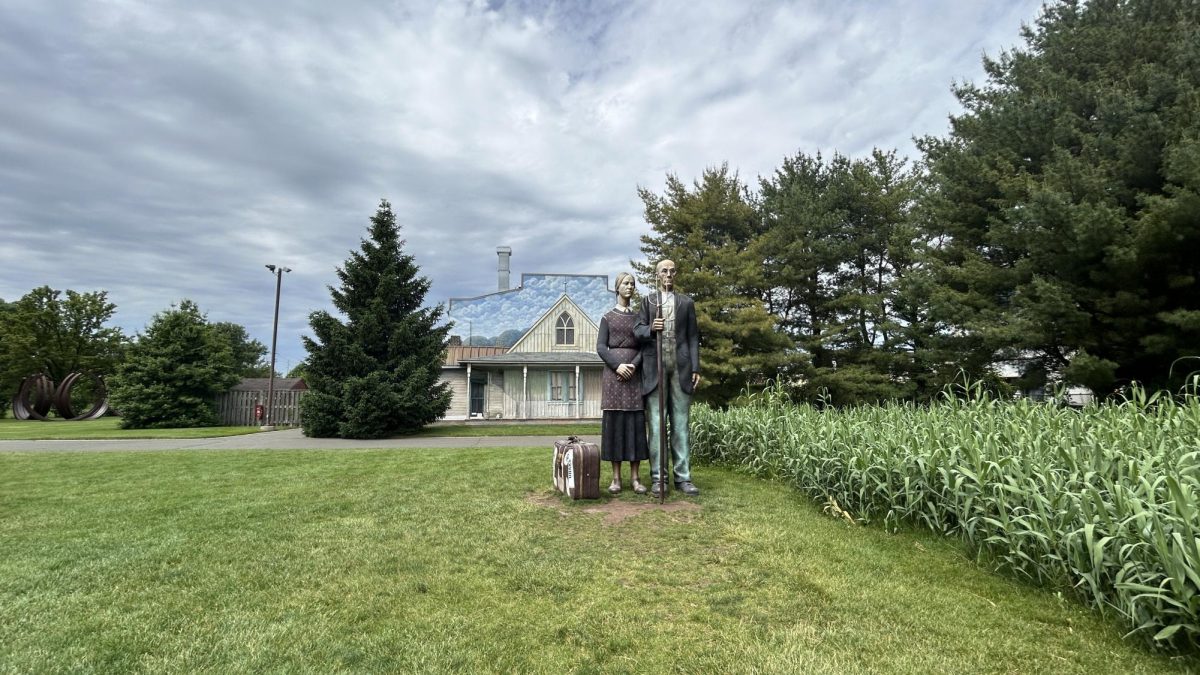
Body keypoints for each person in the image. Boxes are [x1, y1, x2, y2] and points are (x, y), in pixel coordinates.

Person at [634, 259, 700, 496]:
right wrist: (652, 327)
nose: (669, 274)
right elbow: (637, 330)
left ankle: (683, 478)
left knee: (681, 424)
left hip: (680, 366)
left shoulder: (686, 303)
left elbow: (693, 337)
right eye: (664, 271)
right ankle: (658, 478)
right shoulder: (648, 301)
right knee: (657, 423)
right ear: (657, 274)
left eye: (672, 271)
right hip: (655, 367)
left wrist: (696, 367)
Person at [596, 272, 649, 494]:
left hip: (634, 378)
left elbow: (645, 348)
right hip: (613, 379)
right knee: (615, 426)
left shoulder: (639, 318)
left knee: (635, 425)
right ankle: (616, 478)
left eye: (632, 284)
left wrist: (634, 366)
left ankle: (636, 478)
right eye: (626, 283)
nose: (630, 287)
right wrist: (617, 366)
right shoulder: (607, 318)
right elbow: (600, 347)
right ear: (617, 288)